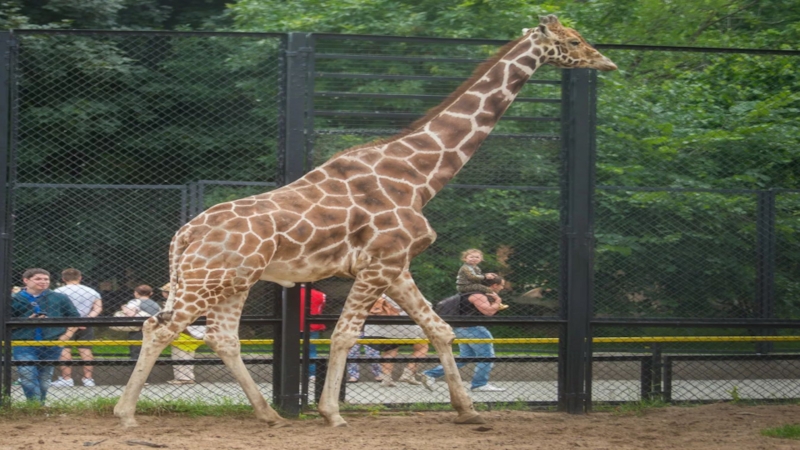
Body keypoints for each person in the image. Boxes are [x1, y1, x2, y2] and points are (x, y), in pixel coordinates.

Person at [421, 277, 508, 392]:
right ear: (495, 285)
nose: (502, 288)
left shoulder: (468, 293)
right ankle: (479, 384)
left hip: (462, 329)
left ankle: (430, 374)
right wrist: (497, 301)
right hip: (473, 329)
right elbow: (488, 311)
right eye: (501, 285)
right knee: (487, 356)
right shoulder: (478, 295)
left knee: (464, 358)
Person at [10, 268, 80, 403]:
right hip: (24, 343)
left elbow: (75, 318)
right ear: (26, 280)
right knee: (27, 374)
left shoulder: (59, 298)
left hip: (51, 343)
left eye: (46, 279)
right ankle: (34, 404)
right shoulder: (14, 299)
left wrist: (66, 336)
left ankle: (40, 405)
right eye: (38, 279)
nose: (43, 282)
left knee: (45, 377)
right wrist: (25, 322)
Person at [364, 294, 430, 387]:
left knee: (390, 350)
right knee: (422, 347)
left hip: (380, 326)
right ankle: (408, 373)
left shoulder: (378, 292)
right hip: (402, 323)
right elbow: (425, 304)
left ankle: (386, 378)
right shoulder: (402, 289)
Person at [52, 268, 103, 387]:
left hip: (64, 323)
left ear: (63, 279)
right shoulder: (92, 291)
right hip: (85, 323)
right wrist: (86, 319)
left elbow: (56, 308)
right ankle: (88, 379)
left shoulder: (58, 291)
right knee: (85, 349)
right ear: (80, 278)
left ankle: (67, 378)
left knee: (64, 348)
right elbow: (98, 308)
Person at [162, 283, 206, 385]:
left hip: (182, 331)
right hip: (195, 332)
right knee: (189, 356)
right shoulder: (191, 301)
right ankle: (188, 377)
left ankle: (182, 378)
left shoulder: (176, 303)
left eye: (164, 292)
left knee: (179, 356)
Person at [122, 284, 161, 360]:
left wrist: (124, 308)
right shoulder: (156, 304)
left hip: (138, 330)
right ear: (151, 293)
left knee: (136, 352)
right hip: (153, 330)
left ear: (136, 293)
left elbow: (130, 314)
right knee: (150, 352)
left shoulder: (134, 302)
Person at [299, 284, 326, 381]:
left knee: (291, 351)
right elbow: (321, 308)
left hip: (293, 325)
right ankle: (312, 375)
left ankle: (292, 372)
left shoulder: (288, 295)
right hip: (312, 326)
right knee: (311, 351)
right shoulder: (320, 295)